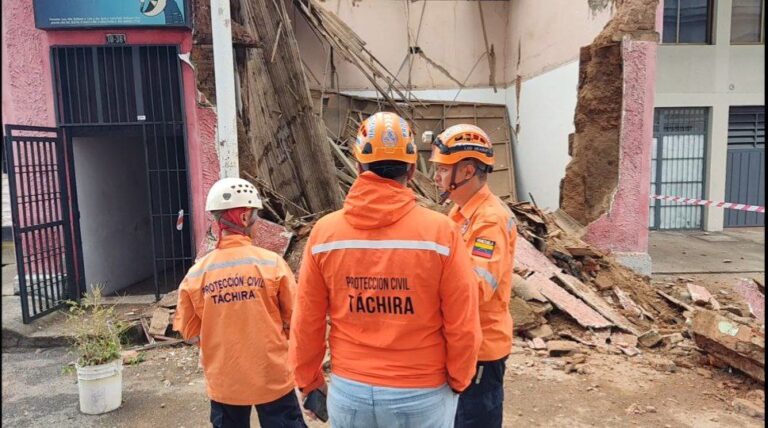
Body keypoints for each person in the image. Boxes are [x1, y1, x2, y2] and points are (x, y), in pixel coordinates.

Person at [289, 111, 481, 428]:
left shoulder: (325, 235)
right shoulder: (440, 233)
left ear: (359, 166)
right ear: (412, 168)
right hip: (422, 393)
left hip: (351, 392)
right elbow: (462, 321)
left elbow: (306, 320)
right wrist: (459, 378)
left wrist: (308, 381)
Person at [173, 177, 306, 428]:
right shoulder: (271, 264)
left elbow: (189, 331)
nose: (257, 224)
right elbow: (295, 321)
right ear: (244, 218)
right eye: (256, 217)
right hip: (273, 377)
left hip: (225, 381)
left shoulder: (196, 274)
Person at [429, 124, 518, 428]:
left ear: (466, 171)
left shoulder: (489, 221)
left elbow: (478, 288)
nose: (436, 176)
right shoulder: (460, 213)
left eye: (442, 169)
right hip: (464, 345)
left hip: (481, 351)